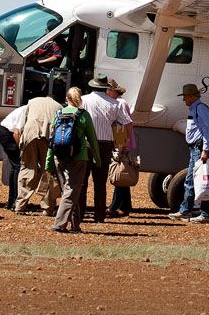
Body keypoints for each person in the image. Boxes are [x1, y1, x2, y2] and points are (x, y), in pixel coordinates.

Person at [44, 87, 100, 233]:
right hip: (78, 158)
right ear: (79, 99)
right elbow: (93, 140)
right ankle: (59, 224)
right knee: (71, 191)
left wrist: (48, 162)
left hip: (59, 157)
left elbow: (52, 140)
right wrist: (97, 159)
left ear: (66, 98)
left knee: (69, 192)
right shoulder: (83, 115)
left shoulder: (58, 114)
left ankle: (75, 225)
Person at [80, 74, 133, 222]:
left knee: (82, 180)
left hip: (85, 143)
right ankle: (99, 215)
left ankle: (80, 213)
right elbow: (127, 123)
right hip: (105, 144)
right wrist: (124, 141)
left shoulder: (83, 100)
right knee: (100, 181)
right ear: (106, 88)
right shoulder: (114, 104)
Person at [168, 83, 209, 223]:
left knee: (199, 180)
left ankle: (200, 212)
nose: (184, 99)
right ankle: (188, 210)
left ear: (191, 96)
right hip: (197, 148)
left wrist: (205, 150)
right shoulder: (197, 108)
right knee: (195, 180)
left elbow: (207, 130)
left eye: (185, 96)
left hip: (199, 149)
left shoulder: (199, 108)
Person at [14, 95, 62, 214]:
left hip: (30, 134)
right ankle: (48, 207)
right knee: (49, 171)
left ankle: (20, 205)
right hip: (48, 136)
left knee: (27, 168)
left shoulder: (31, 101)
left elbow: (22, 124)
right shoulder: (59, 106)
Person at [106, 80, 138, 217]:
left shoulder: (119, 103)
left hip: (121, 142)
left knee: (120, 173)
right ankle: (124, 206)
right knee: (122, 173)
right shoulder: (119, 102)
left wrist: (123, 143)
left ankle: (114, 206)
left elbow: (126, 124)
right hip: (122, 142)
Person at [0, 102, 26, 210]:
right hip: (7, 134)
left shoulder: (26, 108)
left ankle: (11, 201)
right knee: (18, 166)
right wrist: (21, 148)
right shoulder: (26, 111)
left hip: (4, 132)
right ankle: (14, 201)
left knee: (15, 167)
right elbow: (16, 133)